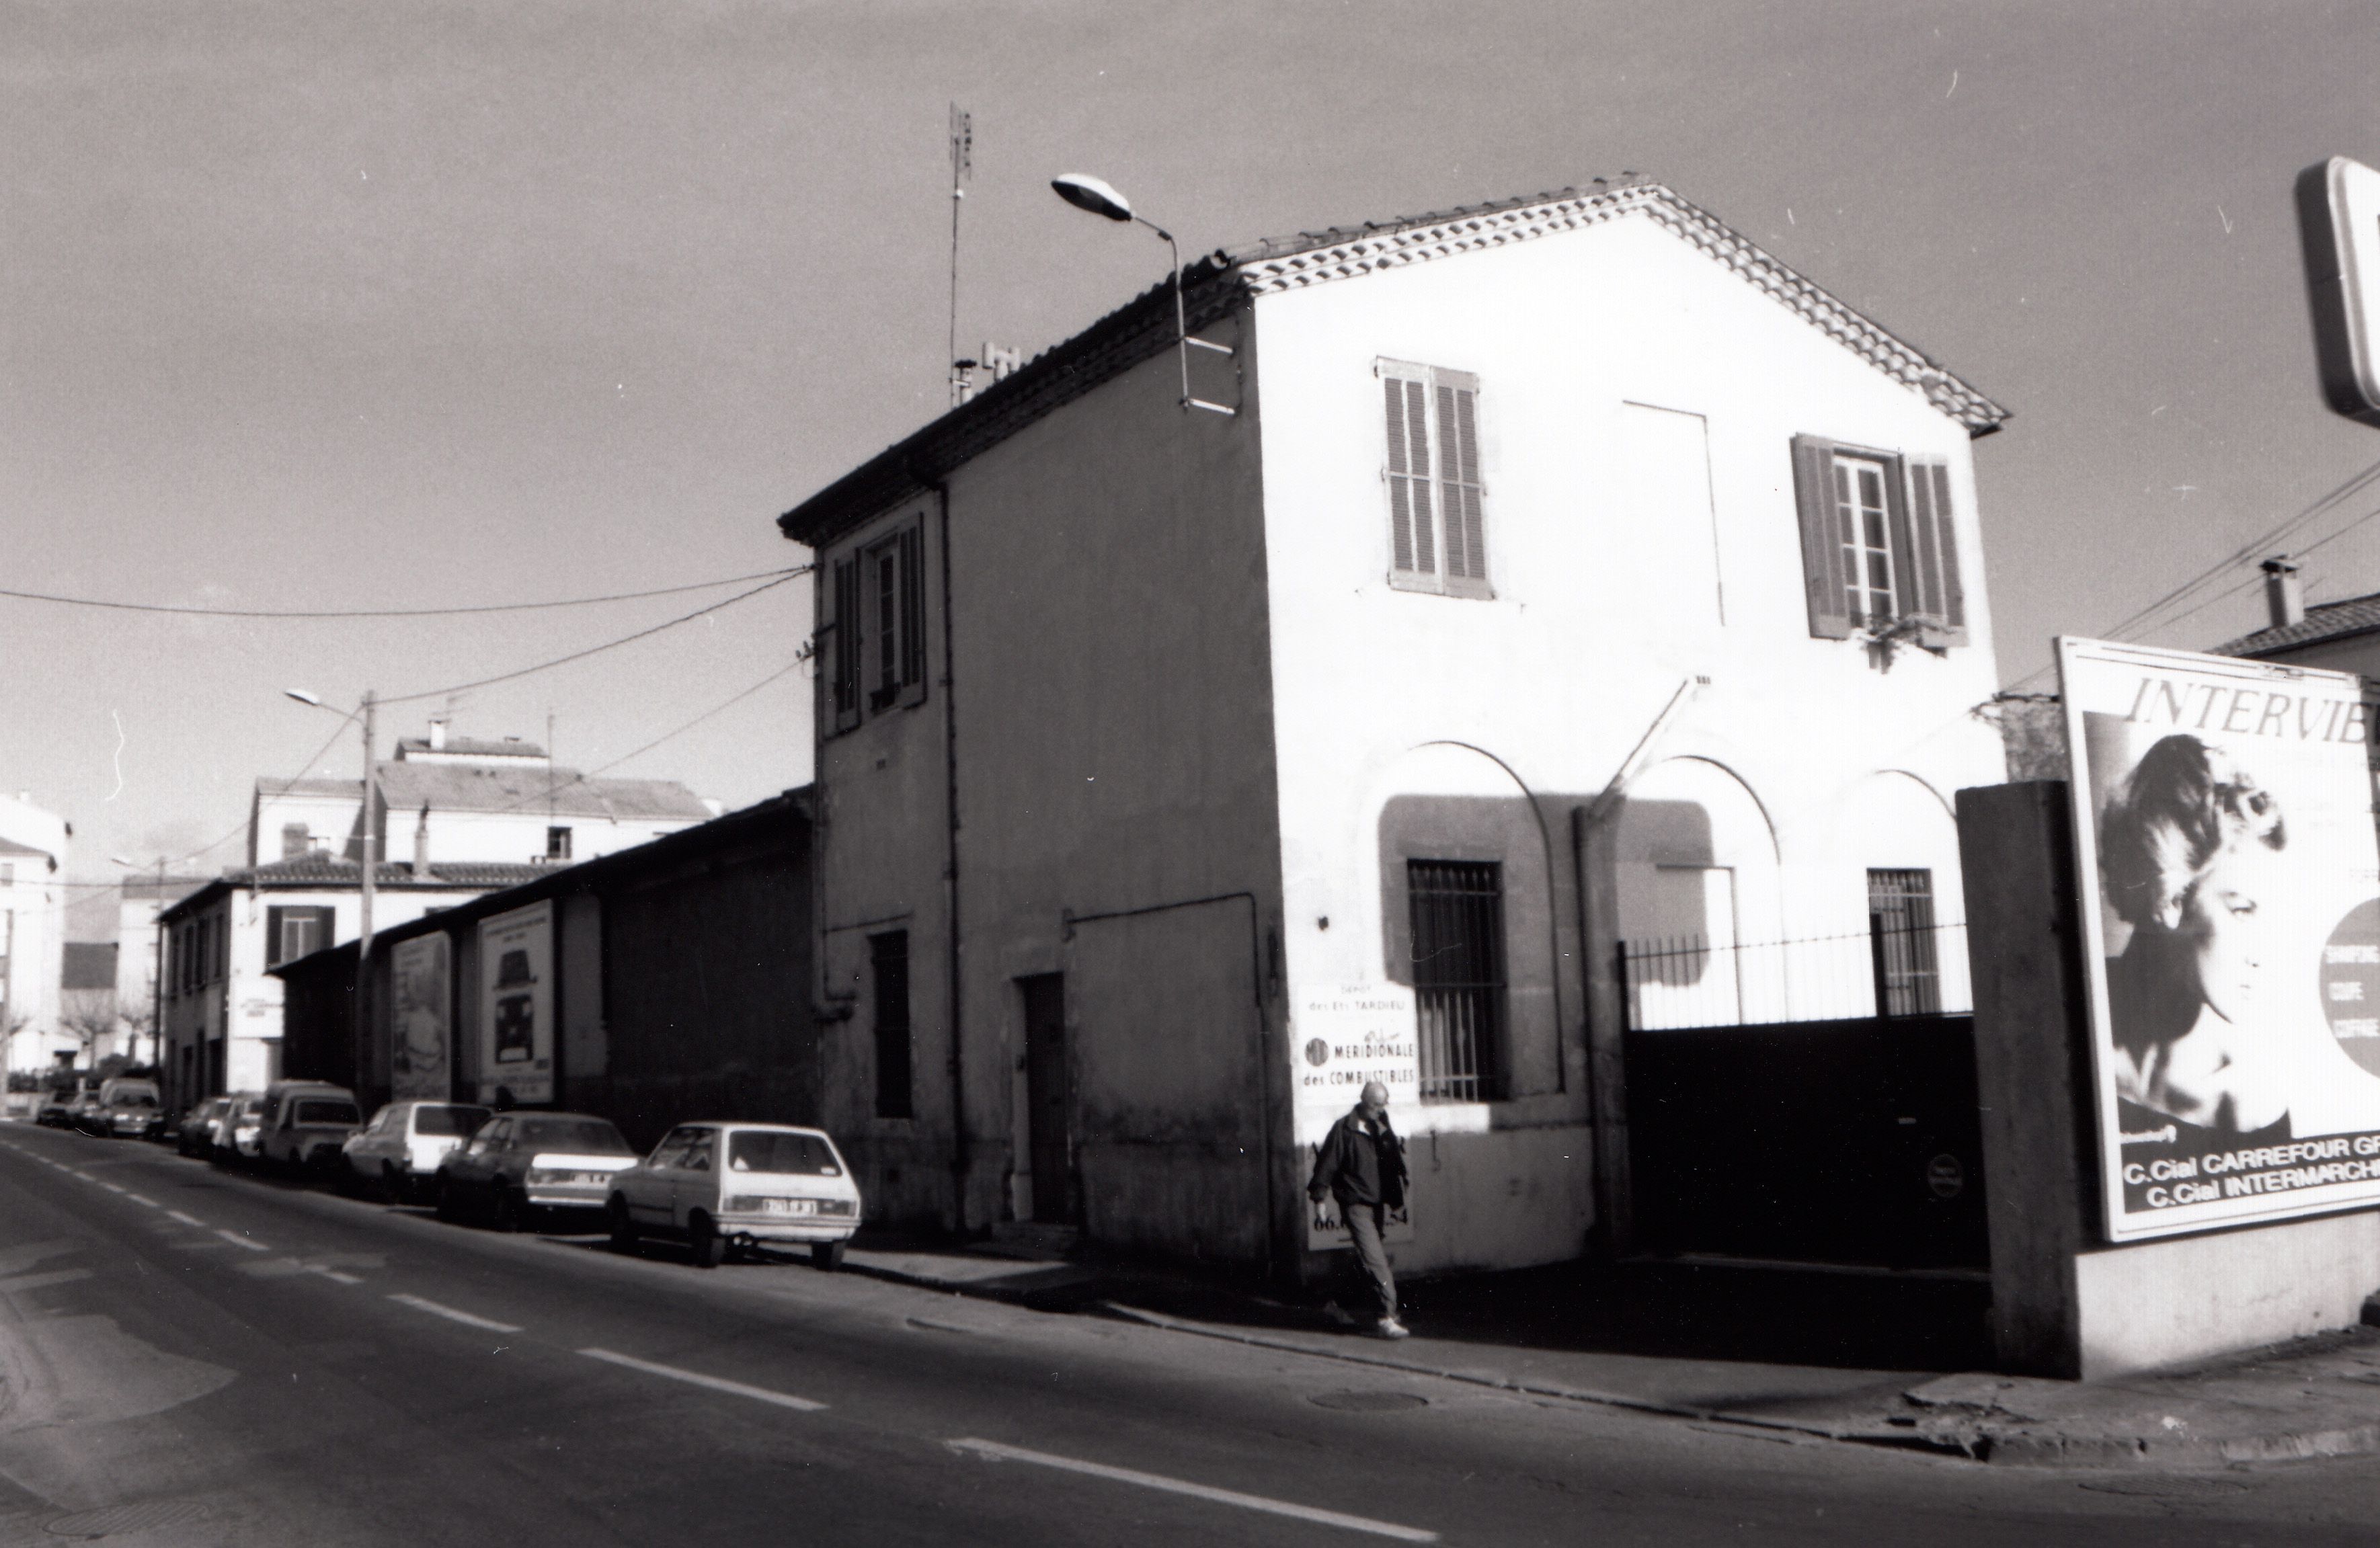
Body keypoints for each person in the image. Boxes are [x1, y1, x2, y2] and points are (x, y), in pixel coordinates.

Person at [2098, 733, 2292, 1136]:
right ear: (2170, 900)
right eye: (2242, 911)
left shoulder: (2246, 1107)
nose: (2264, 952)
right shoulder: (2069, 1020)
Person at [1307, 1079, 1411, 1339]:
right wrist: (1320, 1198)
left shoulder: (1383, 1127)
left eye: (1384, 1104)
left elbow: (1393, 1163)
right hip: (1355, 1205)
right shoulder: (1345, 1129)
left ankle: (1338, 1305)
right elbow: (1326, 1164)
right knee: (1377, 1262)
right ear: (1364, 1103)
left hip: (1377, 1205)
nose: (1380, 1109)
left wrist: (1398, 1196)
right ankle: (1386, 1317)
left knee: (1365, 1261)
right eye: (1376, 1105)